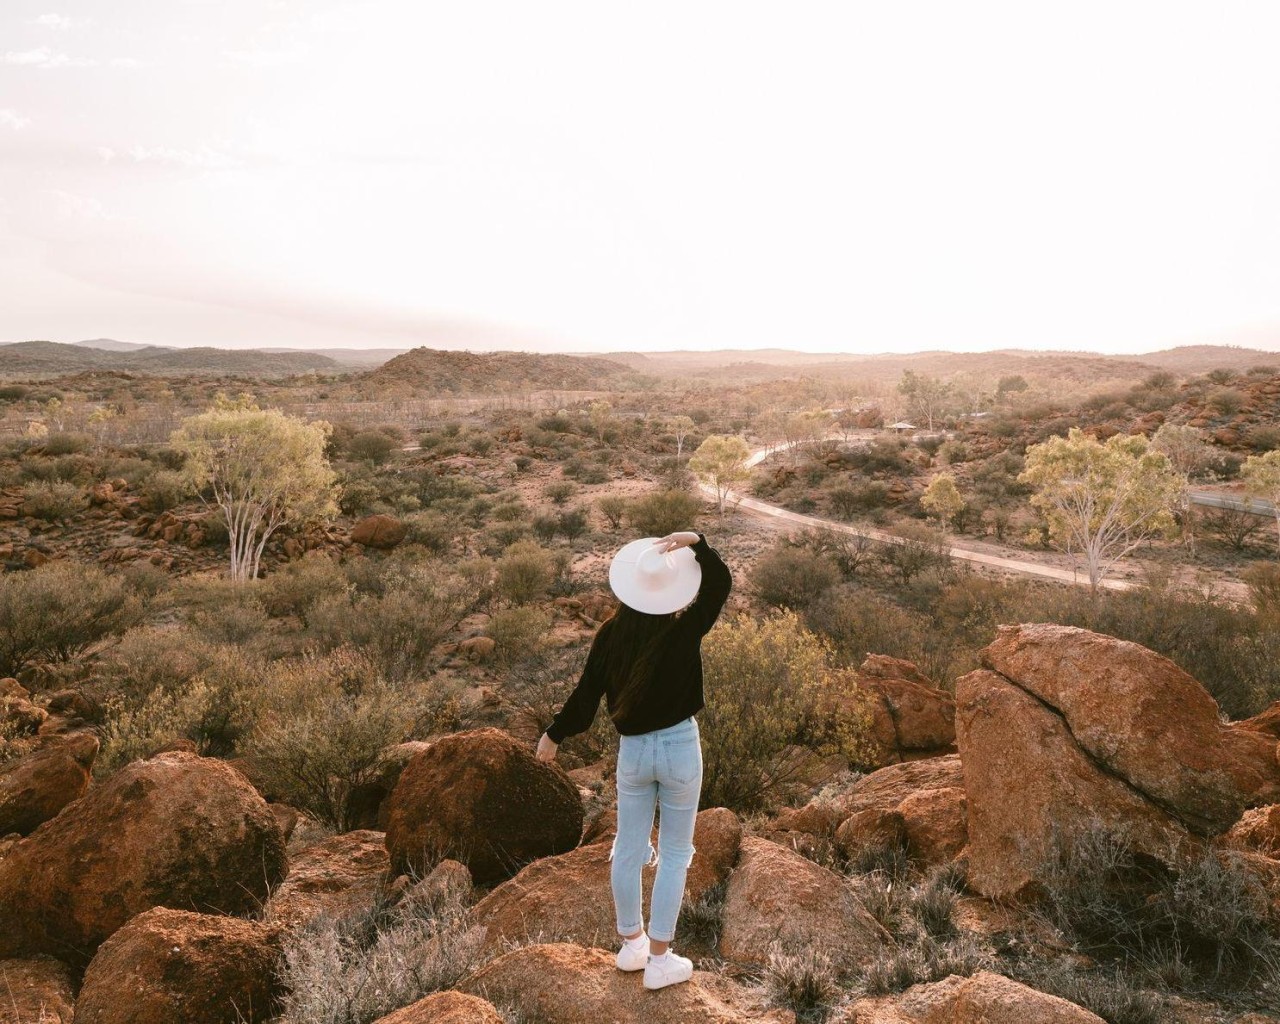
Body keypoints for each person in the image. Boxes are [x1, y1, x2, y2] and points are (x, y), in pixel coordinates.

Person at [536, 529, 732, 990]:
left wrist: (554, 734)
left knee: (628, 846)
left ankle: (632, 945)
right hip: (680, 747)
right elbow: (720, 582)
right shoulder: (683, 628)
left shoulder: (611, 636)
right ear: (669, 589)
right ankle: (660, 960)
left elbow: (585, 698)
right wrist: (698, 542)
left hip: (634, 753)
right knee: (676, 853)